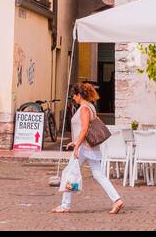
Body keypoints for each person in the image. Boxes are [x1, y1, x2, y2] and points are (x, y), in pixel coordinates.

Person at [52, 82, 123, 215]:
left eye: (74, 95)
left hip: (84, 147)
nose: (73, 98)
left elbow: (84, 129)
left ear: (79, 95)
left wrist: (77, 145)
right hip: (89, 146)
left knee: (69, 173)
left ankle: (65, 205)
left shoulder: (84, 108)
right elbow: (85, 129)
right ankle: (117, 200)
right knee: (98, 174)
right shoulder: (90, 106)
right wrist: (75, 142)